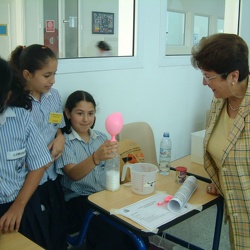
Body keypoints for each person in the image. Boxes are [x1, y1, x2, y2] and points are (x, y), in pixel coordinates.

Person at [56, 90, 148, 249]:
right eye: (80, 113)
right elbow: (73, 174)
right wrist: (96, 157)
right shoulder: (64, 142)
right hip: (80, 200)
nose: (86, 119)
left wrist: (124, 160)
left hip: (105, 195)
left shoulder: (101, 137)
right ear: (68, 113)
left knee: (136, 228)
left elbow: (113, 167)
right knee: (110, 236)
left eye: (90, 113)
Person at [191, 33, 250, 249]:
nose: (204, 82)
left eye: (208, 76)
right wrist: (222, 180)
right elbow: (226, 152)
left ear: (233, 76)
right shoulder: (220, 101)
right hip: (238, 215)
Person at [9, 44, 68, 250]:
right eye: (46, 75)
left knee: (58, 229)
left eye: (54, 74)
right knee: (38, 237)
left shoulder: (54, 97)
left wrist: (61, 137)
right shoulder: (18, 105)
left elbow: (57, 127)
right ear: (27, 74)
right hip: (30, 181)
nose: (52, 80)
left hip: (52, 175)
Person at [0, 57, 53, 247]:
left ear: (7, 95)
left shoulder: (21, 118)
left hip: (21, 204)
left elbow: (38, 164)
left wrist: (18, 207)